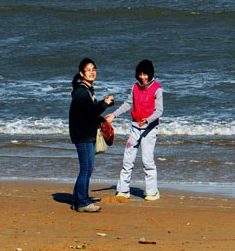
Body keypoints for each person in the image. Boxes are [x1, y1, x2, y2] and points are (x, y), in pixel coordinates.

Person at [105, 59, 164, 201]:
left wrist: (148, 119)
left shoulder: (157, 89)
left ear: (150, 74)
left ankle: (152, 192)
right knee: (127, 160)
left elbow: (159, 111)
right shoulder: (135, 87)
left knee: (147, 161)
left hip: (150, 129)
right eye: (140, 74)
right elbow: (128, 104)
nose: (143, 77)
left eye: (145, 75)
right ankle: (123, 190)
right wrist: (114, 115)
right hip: (135, 127)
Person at [68, 58, 114, 212]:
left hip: (84, 134)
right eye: (88, 70)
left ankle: (78, 200)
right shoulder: (82, 91)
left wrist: (103, 103)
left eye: (93, 69)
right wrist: (105, 104)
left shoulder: (86, 90)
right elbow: (91, 112)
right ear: (81, 73)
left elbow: (90, 111)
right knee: (87, 169)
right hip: (83, 135)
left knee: (86, 169)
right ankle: (82, 202)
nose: (92, 72)